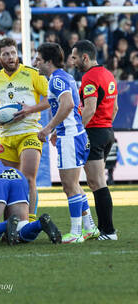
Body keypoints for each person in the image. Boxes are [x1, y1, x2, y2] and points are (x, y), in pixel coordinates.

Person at [35, 42, 98, 243]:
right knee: (75, 186)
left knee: (69, 186)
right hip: (73, 134)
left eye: (38, 59)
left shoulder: (56, 80)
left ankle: (76, 232)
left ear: (48, 61)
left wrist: (47, 128)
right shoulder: (65, 77)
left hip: (70, 137)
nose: (36, 63)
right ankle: (89, 227)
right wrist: (55, 130)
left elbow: (68, 104)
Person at [0, 37, 49, 222]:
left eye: (13, 53)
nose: (11, 57)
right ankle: (12, 222)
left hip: (30, 132)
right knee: (10, 182)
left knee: (28, 178)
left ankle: (29, 222)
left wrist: (30, 109)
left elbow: (49, 100)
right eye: (6, 54)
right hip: (6, 137)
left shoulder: (33, 74)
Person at [71, 40, 118, 240]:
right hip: (107, 131)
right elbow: (114, 108)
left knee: (97, 182)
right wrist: (105, 125)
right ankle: (103, 229)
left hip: (95, 133)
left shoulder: (90, 77)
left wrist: (76, 130)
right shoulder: (108, 75)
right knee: (96, 181)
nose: (72, 61)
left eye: (74, 57)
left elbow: (89, 109)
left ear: (85, 57)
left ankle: (108, 231)